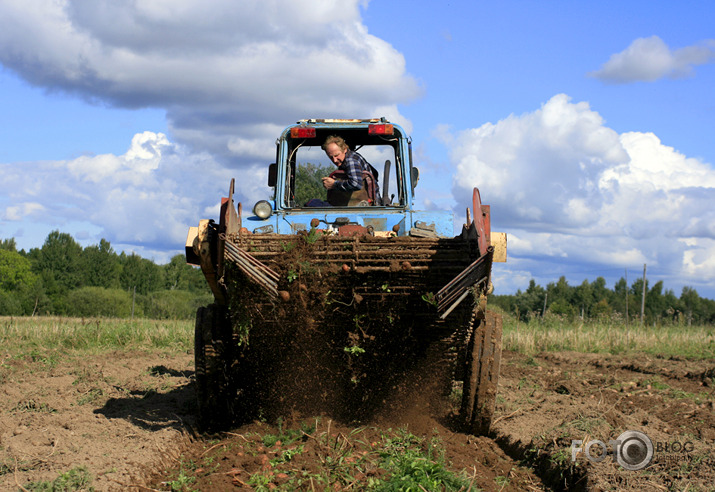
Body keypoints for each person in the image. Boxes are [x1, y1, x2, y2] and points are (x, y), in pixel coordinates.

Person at [305, 135, 380, 207]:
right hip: (353, 206)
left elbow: (356, 184)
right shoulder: (345, 162)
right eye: (331, 157)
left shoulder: (351, 161)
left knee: (314, 204)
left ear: (345, 149)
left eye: (336, 155)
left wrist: (334, 184)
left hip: (365, 206)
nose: (334, 160)